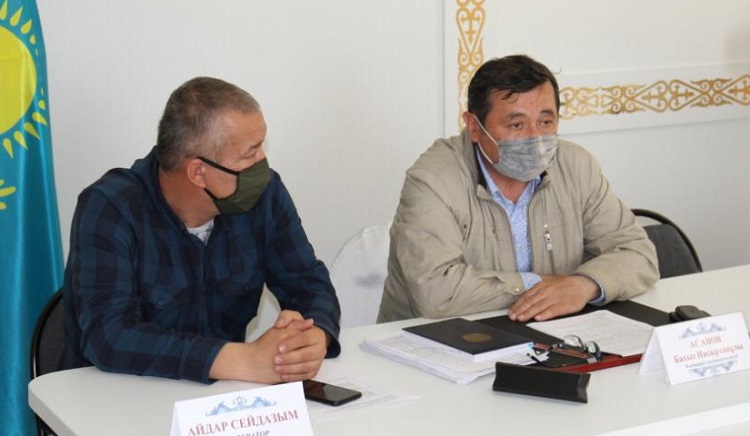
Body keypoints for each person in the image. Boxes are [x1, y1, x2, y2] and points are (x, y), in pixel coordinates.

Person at [62, 77, 341, 385]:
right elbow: (109, 337)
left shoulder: (265, 195)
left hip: (223, 398)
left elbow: (308, 281)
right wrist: (243, 360)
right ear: (198, 172)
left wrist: (314, 337)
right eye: (250, 153)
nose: (262, 162)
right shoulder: (111, 208)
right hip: (114, 395)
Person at [378, 55, 659, 323]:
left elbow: (638, 254)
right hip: (431, 343)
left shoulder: (576, 166)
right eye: (517, 124)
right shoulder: (433, 179)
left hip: (546, 335)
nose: (535, 137)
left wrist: (583, 285)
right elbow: (436, 291)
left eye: (546, 122)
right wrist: (537, 286)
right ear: (474, 127)